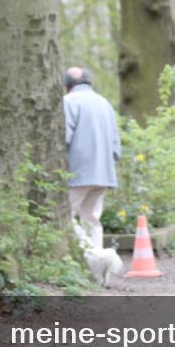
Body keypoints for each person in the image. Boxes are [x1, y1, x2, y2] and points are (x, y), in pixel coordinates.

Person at [62, 67, 121, 250]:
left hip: (78, 172)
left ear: (67, 85)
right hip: (103, 173)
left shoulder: (69, 101)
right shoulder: (104, 103)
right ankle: (98, 267)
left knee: (65, 216)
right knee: (91, 219)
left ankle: (92, 255)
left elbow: (64, 136)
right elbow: (116, 143)